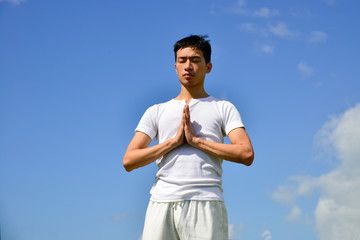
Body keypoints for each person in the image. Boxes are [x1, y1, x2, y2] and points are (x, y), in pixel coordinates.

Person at [123, 35, 254, 240]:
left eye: (195, 60)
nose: (188, 66)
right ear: (175, 66)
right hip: (161, 201)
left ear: (208, 67)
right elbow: (129, 161)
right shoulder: (156, 111)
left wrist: (196, 142)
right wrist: (173, 143)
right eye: (182, 60)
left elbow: (246, 153)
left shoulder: (223, 108)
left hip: (205, 201)